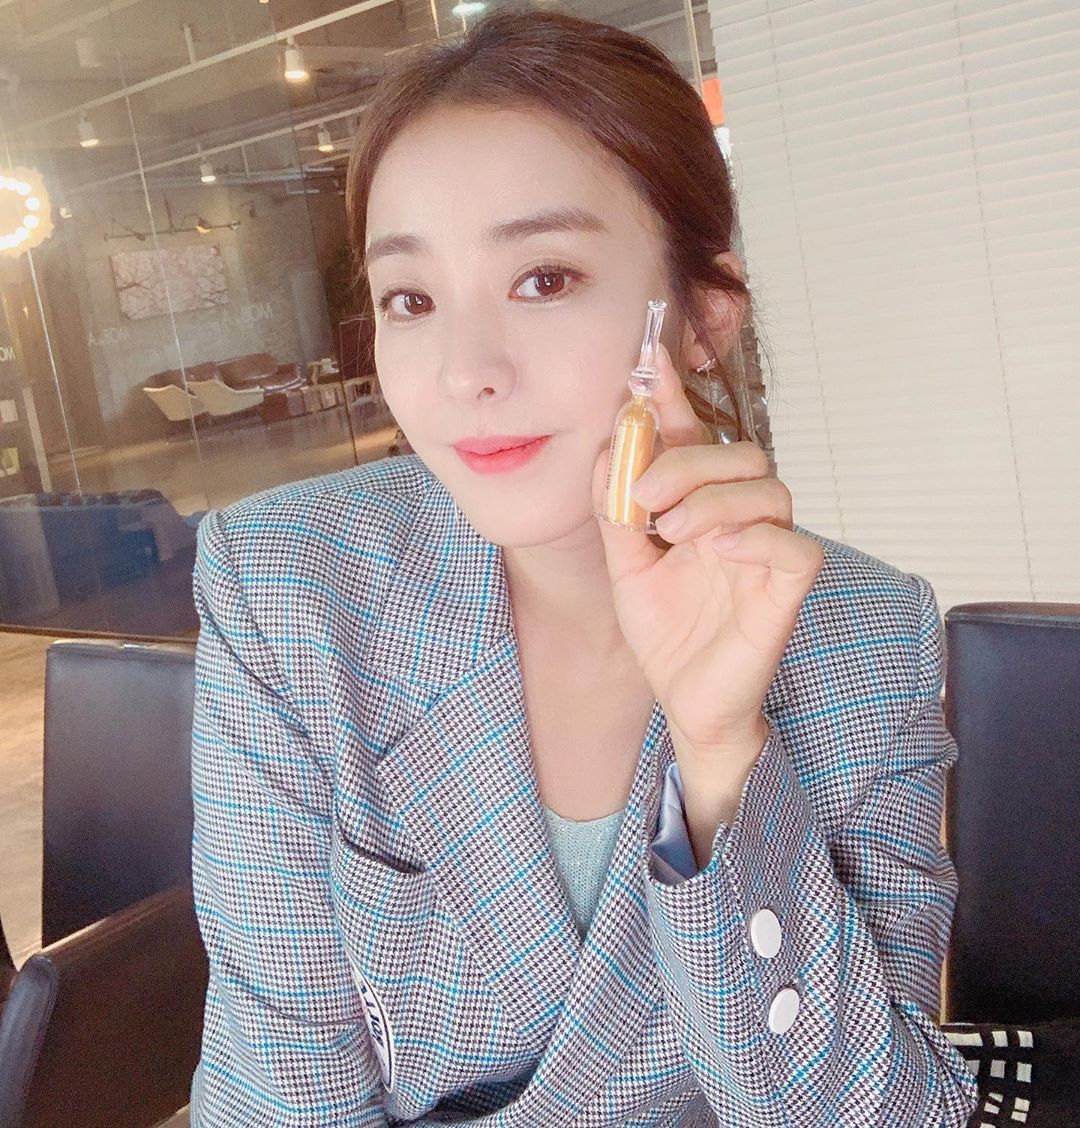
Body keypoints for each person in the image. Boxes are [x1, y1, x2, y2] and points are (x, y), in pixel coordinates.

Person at [188, 7, 980, 1126]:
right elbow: (279, 1091)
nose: (465, 370)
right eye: (411, 299)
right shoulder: (290, 588)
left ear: (701, 317)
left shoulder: (861, 635)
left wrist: (718, 756)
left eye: (545, 278)